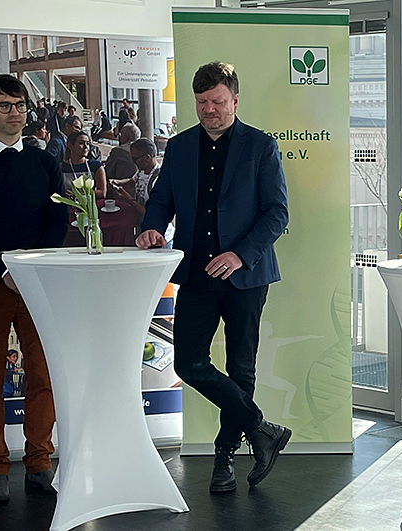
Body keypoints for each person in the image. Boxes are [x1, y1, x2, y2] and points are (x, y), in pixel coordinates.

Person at [136, 61, 290, 493]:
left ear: (235, 101)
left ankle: (225, 458)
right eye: (202, 102)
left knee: (241, 368)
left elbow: (277, 213)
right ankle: (261, 429)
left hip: (246, 275)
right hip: (196, 274)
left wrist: (240, 255)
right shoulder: (180, 146)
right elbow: (160, 201)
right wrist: (152, 226)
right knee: (188, 362)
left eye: (218, 101)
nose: (209, 109)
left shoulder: (261, 146)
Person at [0, 73, 65, 504]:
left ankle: (39, 462)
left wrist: (30, 265)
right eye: (5, 106)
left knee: (43, 374)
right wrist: (1, 266)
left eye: (21, 105)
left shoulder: (45, 162)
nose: (15, 113)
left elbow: (58, 219)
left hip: (37, 282)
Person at [114, 137, 161, 220]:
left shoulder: (157, 181)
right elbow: (132, 181)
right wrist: (117, 182)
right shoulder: (142, 170)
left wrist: (129, 199)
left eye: (135, 159)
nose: (133, 162)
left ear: (147, 157)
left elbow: (152, 214)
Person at [60, 130, 106, 198]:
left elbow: (102, 193)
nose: (86, 146)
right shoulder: (61, 167)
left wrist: (79, 195)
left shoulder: (95, 166)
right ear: (70, 146)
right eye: (81, 143)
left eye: (88, 143)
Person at [104, 122, 142, 187]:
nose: (119, 137)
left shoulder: (118, 151)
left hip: (120, 186)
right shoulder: (142, 150)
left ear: (127, 136)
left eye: (120, 134)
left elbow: (107, 172)